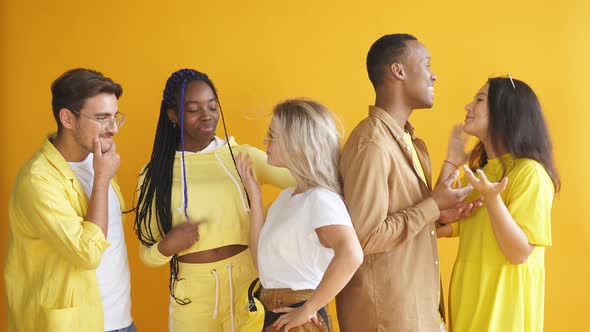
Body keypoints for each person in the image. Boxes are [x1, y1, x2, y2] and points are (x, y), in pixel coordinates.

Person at [134, 68, 293, 332]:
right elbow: (147, 256)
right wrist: (168, 245)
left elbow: (306, 184)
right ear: (174, 115)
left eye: (211, 106)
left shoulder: (243, 157)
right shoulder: (155, 175)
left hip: (248, 286)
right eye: (194, 109)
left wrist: (268, 214)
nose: (207, 115)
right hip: (191, 295)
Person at [336, 33, 476, 331]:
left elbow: (405, 221)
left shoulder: (411, 142)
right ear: (398, 71)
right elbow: (364, 238)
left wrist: (438, 214)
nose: (434, 75)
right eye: (426, 65)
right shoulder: (371, 144)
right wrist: (432, 206)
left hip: (419, 313)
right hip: (387, 319)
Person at [4, 68, 135, 331]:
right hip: (75, 324)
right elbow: (86, 254)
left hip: (121, 320)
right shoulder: (38, 180)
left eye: (115, 117)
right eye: (101, 118)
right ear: (67, 118)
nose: (113, 129)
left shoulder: (97, 158)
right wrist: (101, 180)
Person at [438, 76, 560, 331]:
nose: (468, 107)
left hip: (504, 317)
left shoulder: (531, 174)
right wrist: (451, 161)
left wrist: (493, 199)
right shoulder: (484, 172)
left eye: (479, 99)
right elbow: (437, 226)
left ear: (506, 112)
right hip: (468, 308)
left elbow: (518, 253)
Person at [235, 98, 363, 332]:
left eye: (272, 135)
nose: (266, 141)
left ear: (296, 142)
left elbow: (352, 254)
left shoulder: (321, 199)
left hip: (299, 319)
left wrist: (308, 309)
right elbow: (260, 261)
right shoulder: (285, 199)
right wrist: (255, 195)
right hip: (272, 315)